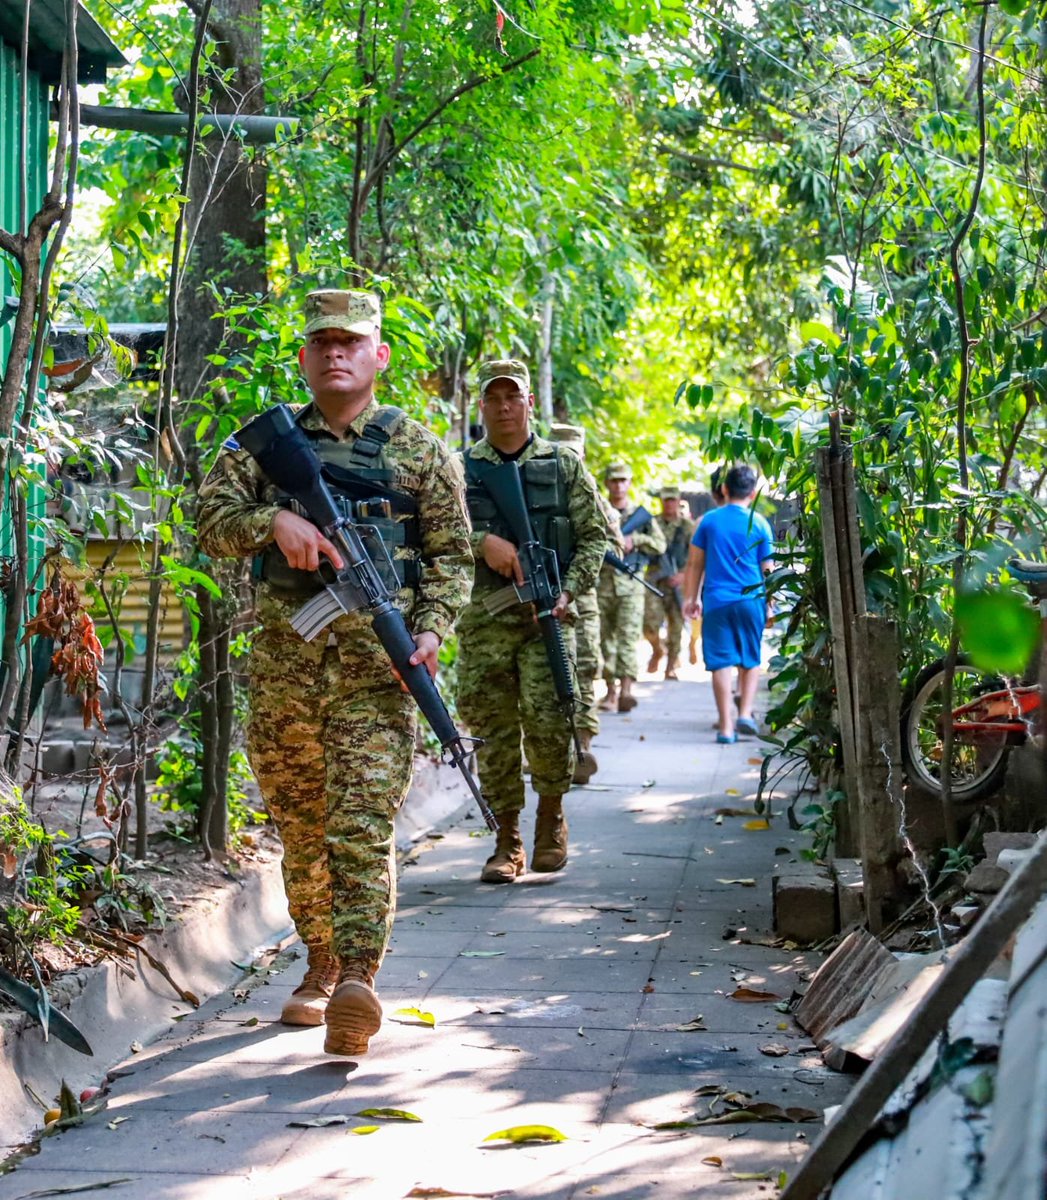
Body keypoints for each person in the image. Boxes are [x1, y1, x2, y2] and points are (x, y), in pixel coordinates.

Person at [197, 289, 472, 1056]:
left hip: (377, 676)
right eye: (321, 343)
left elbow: (452, 559)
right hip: (286, 672)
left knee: (359, 827)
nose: (335, 353)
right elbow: (209, 522)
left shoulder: (419, 449)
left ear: (379, 355)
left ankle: (357, 982)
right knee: (302, 830)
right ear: (304, 357)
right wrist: (272, 521)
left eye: (351, 341)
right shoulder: (261, 447)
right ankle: (317, 966)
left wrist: (430, 627)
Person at [457, 362, 606, 884]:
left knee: (548, 724)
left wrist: (569, 590)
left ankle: (551, 820)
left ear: (528, 403)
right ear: (481, 406)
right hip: (484, 624)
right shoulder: (461, 469)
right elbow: (434, 534)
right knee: (494, 733)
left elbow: (596, 538)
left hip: (549, 617)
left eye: (512, 397)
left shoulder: (562, 464)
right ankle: (506, 840)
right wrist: (482, 543)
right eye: (493, 398)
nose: (503, 407)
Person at [547, 422, 624, 783]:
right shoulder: (533, 486)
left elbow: (616, 544)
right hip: (542, 592)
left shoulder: (594, 495)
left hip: (584, 595)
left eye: (573, 454)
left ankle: (583, 745)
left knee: (587, 666)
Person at [682, 464, 774, 743]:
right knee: (750, 659)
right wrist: (771, 604)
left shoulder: (708, 521)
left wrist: (691, 598)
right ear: (754, 492)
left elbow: (695, 564)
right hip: (751, 600)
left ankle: (725, 728)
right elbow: (768, 568)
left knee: (721, 663)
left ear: (724, 489)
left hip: (717, 601)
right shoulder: (759, 523)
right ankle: (745, 712)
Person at [597, 462, 666, 712]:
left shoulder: (640, 516)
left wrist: (634, 539)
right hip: (601, 585)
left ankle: (626, 691)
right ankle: (610, 692)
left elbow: (660, 545)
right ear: (607, 483)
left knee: (627, 638)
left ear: (629, 483)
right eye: (614, 480)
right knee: (605, 640)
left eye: (622, 480)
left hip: (631, 586)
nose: (618, 485)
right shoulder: (597, 512)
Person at [643, 486, 695, 680]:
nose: (669, 503)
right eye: (666, 500)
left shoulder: (687, 526)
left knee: (676, 625)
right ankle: (658, 649)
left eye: (673, 500)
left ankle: (671, 665)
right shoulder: (652, 523)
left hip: (679, 582)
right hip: (655, 581)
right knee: (649, 624)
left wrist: (683, 575)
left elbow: (695, 555)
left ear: (678, 500)